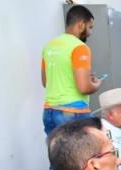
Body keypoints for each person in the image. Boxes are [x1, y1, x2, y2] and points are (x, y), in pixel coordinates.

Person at [41, 5, 101, 135]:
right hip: (73, 113)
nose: (90, 33)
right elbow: (84, 88)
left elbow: (46, 81)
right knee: (80, 154)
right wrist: (96, 84)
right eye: (90, 27)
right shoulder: (79, 47)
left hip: (49, 112)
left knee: (58, 154)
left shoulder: (49, 47)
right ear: (81, 25)